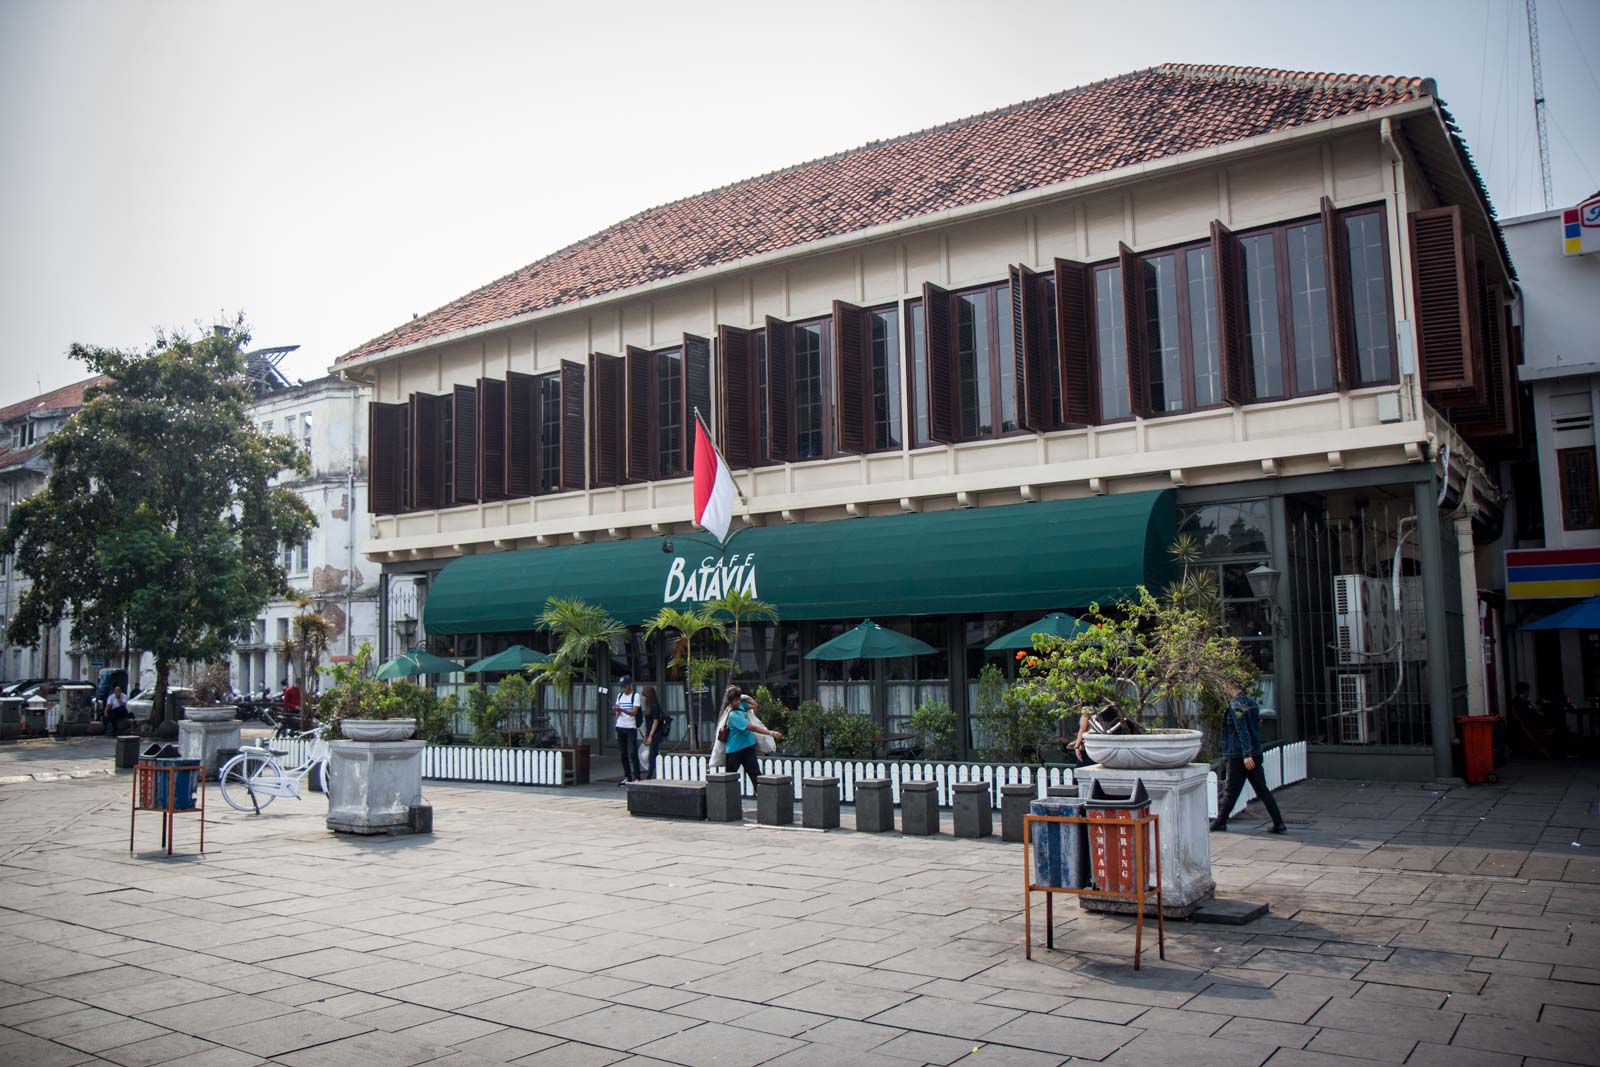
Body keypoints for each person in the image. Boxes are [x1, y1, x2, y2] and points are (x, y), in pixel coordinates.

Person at [1212, 678, 1286, 834]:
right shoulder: (1251, 703)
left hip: (1241, 755)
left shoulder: (1236, 705)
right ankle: (1278, 822)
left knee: (1231, 789)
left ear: (1230, 685)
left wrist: (1246, 754)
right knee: (1261, 790)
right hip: (1254, 752)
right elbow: (1252, 729)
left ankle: (1220, 821)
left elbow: (1242, 730)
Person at [719, 685, 782, 791]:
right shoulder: (733, 715)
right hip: (735, 751)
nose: (737, 702)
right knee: (730, 779)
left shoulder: (741, 706)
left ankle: (763, 799)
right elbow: (752, 727)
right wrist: (771, 733)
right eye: (735, 701)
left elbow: (754, 705)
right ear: (730, 701)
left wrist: (743, 696)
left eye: (738, 700)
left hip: (748, 747)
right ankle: (728, 803)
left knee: (755, 775)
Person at [612, 676, 642, 784]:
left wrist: (622, 709)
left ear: (630, 685)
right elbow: (617, 714)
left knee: (633, 752)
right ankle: (627, 776)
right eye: (622, 687)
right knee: (623, 753)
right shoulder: (619, 696)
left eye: (624, 686)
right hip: (620, 726)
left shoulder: (635, 696)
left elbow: (634, 712)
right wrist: (617, 710)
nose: (623, 689)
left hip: (630, 727)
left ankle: (637, 777)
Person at [638, 685, 665, 779]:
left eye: (644, 696)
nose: (643, 698)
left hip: (655, 733)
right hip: (649, 732)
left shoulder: (655, 706)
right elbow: (647, 723)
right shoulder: (648, 707)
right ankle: (657, 772)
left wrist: (651, 735)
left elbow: (655, 722)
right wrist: (646, 734)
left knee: (652, 755)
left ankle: (649, 775)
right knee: (652, 754)